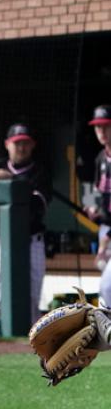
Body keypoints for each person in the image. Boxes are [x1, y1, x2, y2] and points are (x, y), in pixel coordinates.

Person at [0, 123, 51, 320]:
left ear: (32, 146)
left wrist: (13, 182)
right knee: (1, 263)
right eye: (17, 143)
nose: (21, 148)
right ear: (7, 145)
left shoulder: (40, 172)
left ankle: (31, 337)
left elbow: (37, 205)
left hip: (31, 237)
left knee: (33, 292)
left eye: (25, 143)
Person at [86, 106, 111, 306]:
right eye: (98, 128)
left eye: (106, 127)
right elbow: (94, 189)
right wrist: (90, 207)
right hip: (107, 227)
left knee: (107, 288)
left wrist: (106, 241)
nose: (101, 132)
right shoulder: (100, 158)